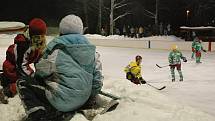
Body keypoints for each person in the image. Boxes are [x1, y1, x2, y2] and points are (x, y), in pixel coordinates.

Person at [16, 14, 104, 121]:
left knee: (22, 83)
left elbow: (41, 72)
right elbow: (97, 80)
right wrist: (89, 96)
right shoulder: (92, 52)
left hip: (62, 102)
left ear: (61, 31)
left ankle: (39, 115)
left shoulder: (56, 49)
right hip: (84, 100)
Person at [0, 18, 47, 104]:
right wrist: (33, 76)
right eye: (37, 38)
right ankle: (6, 91)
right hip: (12, 68)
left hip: (19, 66)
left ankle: (5, 79)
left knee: (30, 79)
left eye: (42, 37)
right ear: (32, 35)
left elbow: (39, 58)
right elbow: (21, 66)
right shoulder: (23, 46)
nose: (40, 40)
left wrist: (42, 71)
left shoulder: (36, 43)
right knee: (23, 83)